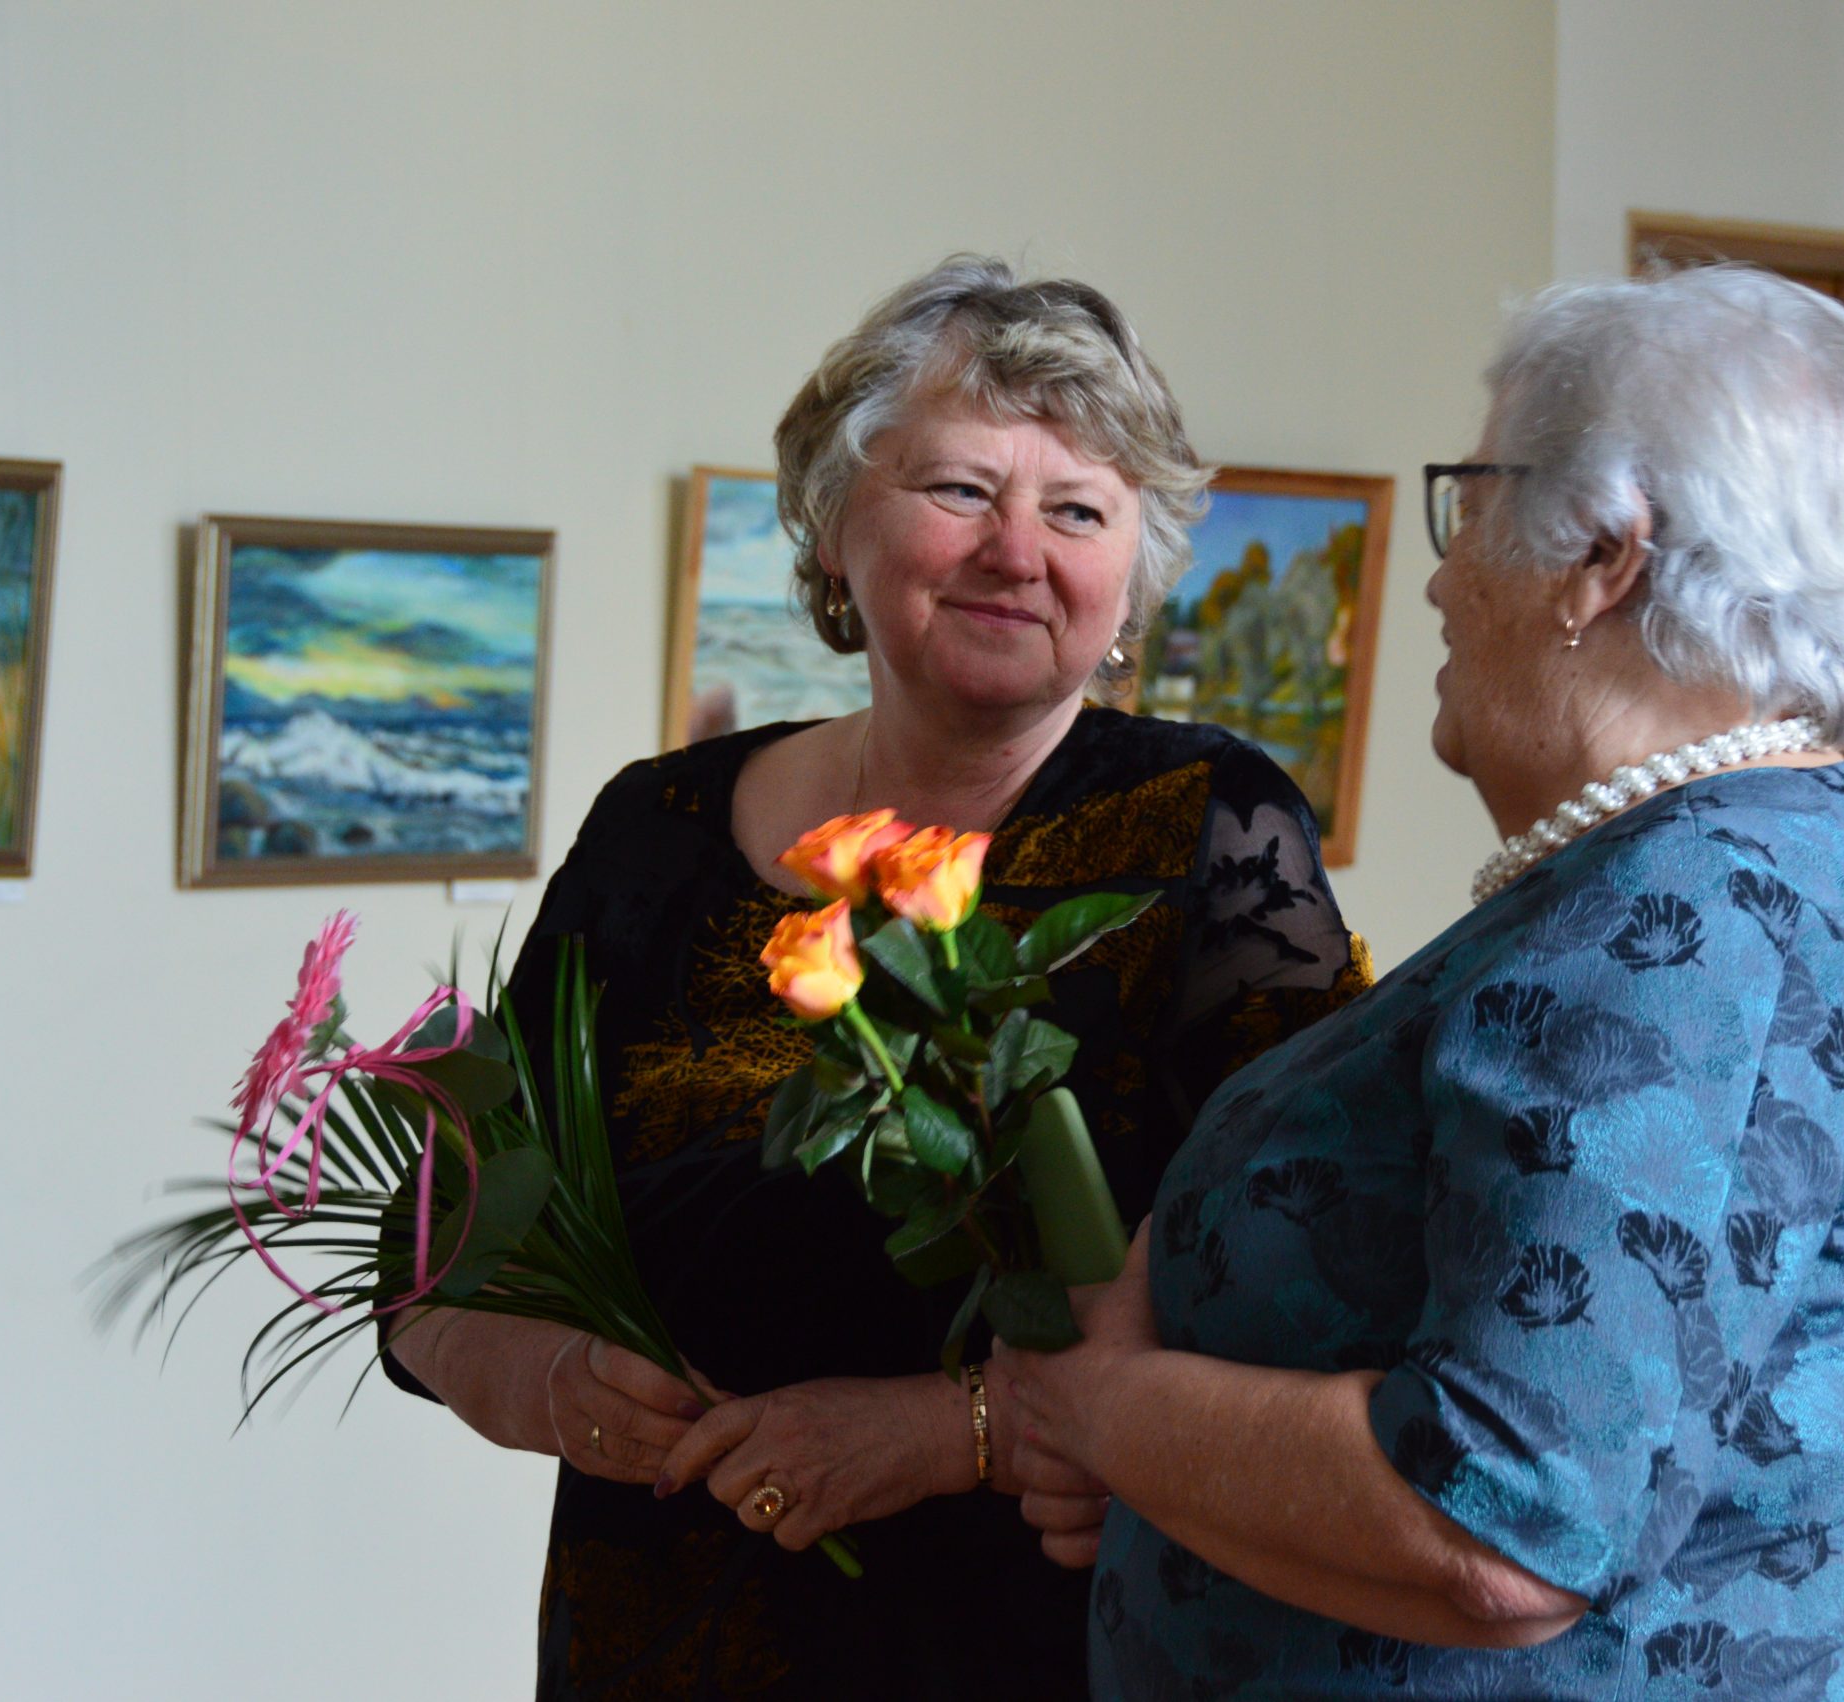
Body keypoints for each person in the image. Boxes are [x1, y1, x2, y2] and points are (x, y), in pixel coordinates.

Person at [385, 256, 1371, 1699]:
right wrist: (547, 1380)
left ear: (1131, 579)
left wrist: (951, 1430)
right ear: (835, 523)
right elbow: (438, 1247)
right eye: (961, 489)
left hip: (1030, 1645)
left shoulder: (1207, 826)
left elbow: (1313, 1274)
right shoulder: (654, 826)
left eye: (1077, 511)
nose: (1016, 552)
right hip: (657, 1626)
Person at [998, 266, 1844, 1699]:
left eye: (1473, 504)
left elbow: (1503, 1525)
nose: (1441, 578)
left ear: (1603, 556)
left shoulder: (1688, 915)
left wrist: (1099, 1408)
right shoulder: (1751, 843)